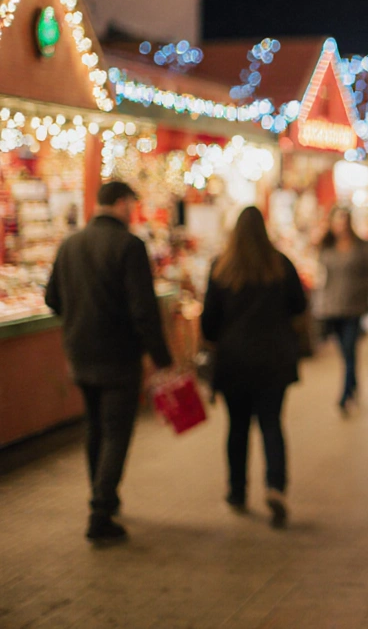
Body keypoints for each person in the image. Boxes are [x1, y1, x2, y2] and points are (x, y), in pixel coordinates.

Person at [44, 180, 173, 543]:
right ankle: (101, 512)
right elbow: (143, 310)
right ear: (121, 204)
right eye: (132, 204)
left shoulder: (70, 244)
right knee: (116, 431)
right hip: (119, 356)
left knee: (95, 428)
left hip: (79, 353)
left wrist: (78, 317)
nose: (133, 211)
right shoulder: (130, 246)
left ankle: (104, 496)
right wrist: (162, 358)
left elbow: (52, 298)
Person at [200, 206, 307, 527]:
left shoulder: (221, 267)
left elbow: (208, 323)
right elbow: (300, 306)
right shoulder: (280, 264)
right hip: (274, 359)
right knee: (272, 424)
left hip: (234, 362)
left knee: (237, 427)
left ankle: (236, 491)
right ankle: (275, 487)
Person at [315, 207, 368, 414]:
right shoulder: (327, 246)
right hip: (332, 307)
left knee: (350, 349)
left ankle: (344, 395)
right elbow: (322, 274)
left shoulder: (361, 247)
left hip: (354, 306)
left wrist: (365, 291)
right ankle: (353, 385)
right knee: (344, 352)